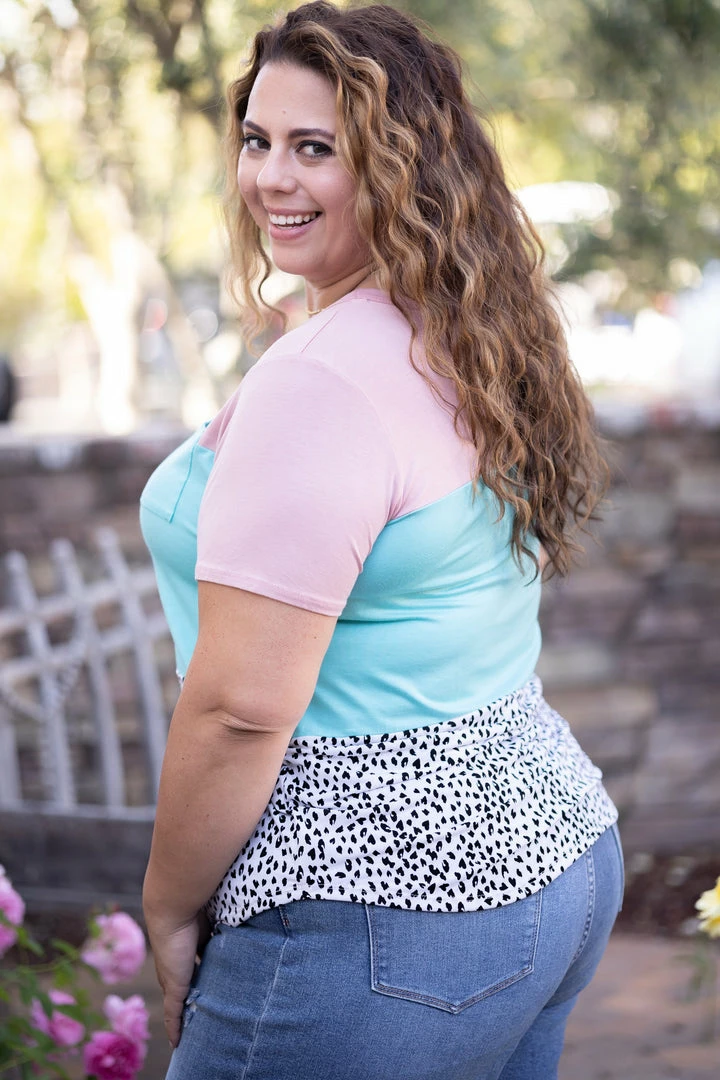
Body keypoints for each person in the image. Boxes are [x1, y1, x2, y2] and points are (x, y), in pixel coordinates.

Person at [139, 4, 624, 1078]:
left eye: (316, 148)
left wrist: (168, 904)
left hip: (384, 906)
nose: (271, 177)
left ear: (401, 165)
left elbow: (240, 710)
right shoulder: (470, 331)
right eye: (258, 140)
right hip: (556, 857)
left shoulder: (325, 379)